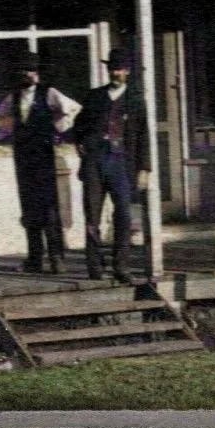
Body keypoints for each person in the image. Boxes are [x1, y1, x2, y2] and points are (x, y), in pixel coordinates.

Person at [0, 52, 82, 273]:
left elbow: (73, 109)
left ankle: (56, 258)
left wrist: (58, 129)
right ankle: (34, 258)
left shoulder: (49, 93)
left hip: (43, 155)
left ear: (37, 73)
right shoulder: (13, 97)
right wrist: (7, 129)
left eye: (30, 70)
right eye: (23, 70)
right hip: (23, 157)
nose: (26, 74)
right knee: (29, 208)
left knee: (49, 208)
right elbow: (1, 119)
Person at [71, 49, 152, 282]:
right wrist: (81, 144)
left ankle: (121, 266)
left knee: (124, 215)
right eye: (113, 69)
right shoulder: (95, 96)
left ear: (127, 72)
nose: (117, 73)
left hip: (122, 163)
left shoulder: (136, 99)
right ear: (108, 71)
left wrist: (144, 169)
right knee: (92, 215)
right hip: (95, 162)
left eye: (121, 69)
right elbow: (79, 125)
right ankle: (95, 266)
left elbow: (144, 136)